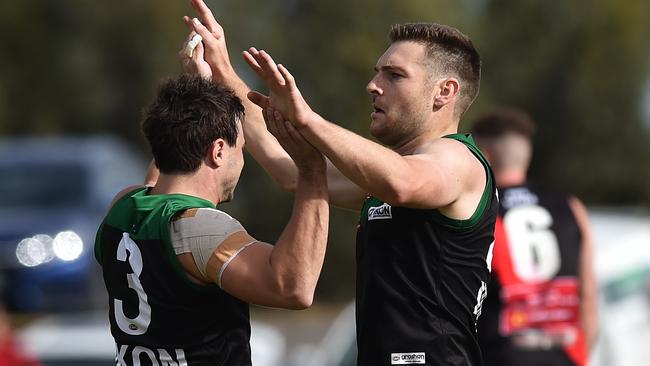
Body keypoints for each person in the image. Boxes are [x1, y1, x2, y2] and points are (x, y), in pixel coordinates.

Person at [181, 1, 498, 365]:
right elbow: (291, 172)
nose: (373, 85)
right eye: (377, 72)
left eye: (394, 75)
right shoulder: (387, 175)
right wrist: (224, 72)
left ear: (444, 92)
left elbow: (404, 183)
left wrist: (308, 120)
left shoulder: (458, 160)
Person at [94, 74, 329, 365]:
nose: (241, 160)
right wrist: (312, 170)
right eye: (240, 149)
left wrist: (202, 87)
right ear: (218, 151)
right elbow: (293, 288)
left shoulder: (122, 206)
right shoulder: (200, 228)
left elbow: (162, 171)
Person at [470, 107, 598, 366]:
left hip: (501, 355)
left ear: (485, 156)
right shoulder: (572, 207)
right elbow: (589, 295)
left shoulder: (481, 211)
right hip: (566, 355)